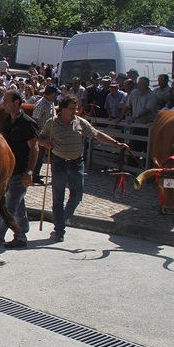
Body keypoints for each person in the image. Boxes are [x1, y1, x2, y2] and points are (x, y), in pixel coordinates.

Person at [38, 95, 128, 242]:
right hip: (58, 163)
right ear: (63, 109)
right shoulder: (52, 124)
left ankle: (60, 221)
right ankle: (59, 229)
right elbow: (40, 138)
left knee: (77, 196)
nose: (75, 111)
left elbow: (97, 134)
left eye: (76, 108)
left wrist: (116, 144)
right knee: (58, 198)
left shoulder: (80, 123)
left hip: (76, 164)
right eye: (72, 108)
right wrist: (44, 143)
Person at [0, 90, 39, 250]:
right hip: (8, 170)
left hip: (21, 171)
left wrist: (30, 171)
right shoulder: (8, 121)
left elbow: (34, 148)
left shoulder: (27, 123)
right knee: (17, 203)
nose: (4, 103)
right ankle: (21, 234)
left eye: (6, 100)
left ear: (17, 102)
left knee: (9, 206)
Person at [31, 84, 58, 184]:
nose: (56, 96)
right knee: (39, 156)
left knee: (46, 156)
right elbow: (34, 120)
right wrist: (37, 135)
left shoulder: (50, 102)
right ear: (50, 94)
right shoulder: (41, 104)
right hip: (42, 134)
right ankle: (34, 175)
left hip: (51, 134)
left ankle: (38, 174)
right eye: (55, 94)